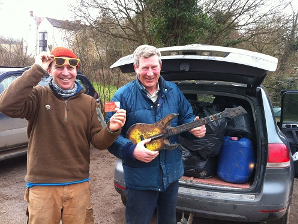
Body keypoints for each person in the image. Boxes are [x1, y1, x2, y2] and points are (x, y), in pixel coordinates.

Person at [0, 47, 126, 224]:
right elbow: (6, 105)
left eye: (71, 67)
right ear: (49, 70)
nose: (65, 72)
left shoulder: (88, 103)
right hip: (42, 186)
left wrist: (111, 130)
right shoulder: (37, 96)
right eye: (59, 67)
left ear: (77, 70)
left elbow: (98, 141)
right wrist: (36, 69)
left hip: (78, 184)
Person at [106, 45, 206, 224]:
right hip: (139, 179)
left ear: (160, 65)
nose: (150, 73)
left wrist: (194, 130)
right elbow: (108, 135)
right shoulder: (119, 96)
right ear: (136, 67)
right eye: (145, 68)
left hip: (171, 175)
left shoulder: (174, 91)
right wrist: (131, 151)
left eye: (154, 67)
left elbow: (187, 118)